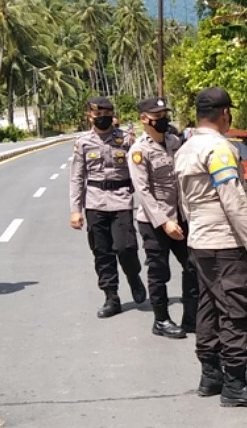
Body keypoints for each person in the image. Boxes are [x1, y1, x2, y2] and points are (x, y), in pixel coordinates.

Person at [173, 87, 247, 408]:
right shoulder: (219, 149)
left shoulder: (186, 148)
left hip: (200, 241)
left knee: (209, 307)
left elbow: (183, 202)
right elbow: (233, 199)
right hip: (224, 243)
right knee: (238, 310)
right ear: (225, 113)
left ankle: (211, 375)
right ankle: (234, 384)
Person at [70, 96, 146, 318]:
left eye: (106, 115)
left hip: (121, 199)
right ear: (89, 116)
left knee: (125, 247)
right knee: (102, 252)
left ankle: (133, 276)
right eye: (98, 115)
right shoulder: (83, 143)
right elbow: (77, 177)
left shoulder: (126, 139)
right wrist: (75, 210)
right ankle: (111, 297)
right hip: (95, 202)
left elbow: (138, 171)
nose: (102, 118)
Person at [127, 97, 198, 339]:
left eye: (164, 115)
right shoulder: (139, 150)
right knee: (159, 271)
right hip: (154, 222)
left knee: (192, 265)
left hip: (180, 216)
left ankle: (191, 318)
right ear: (144, 119)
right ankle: (161, 320)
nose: (162, 120)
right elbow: (143, 191)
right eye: (157, 116)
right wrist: (164, 222)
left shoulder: (174, 142)